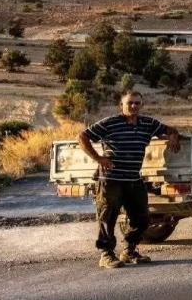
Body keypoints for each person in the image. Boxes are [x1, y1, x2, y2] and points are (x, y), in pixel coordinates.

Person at [78, 90, 180, 269]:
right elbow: (82, 136)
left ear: (142, 105)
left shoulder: (147, 124)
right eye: (129, 103)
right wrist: (99, 158)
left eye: (137, 103)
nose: (133, 106)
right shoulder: (110, 123)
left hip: (133, 178)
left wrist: (172, 137)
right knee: (107, 217)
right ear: (121, 105)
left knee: (141, 218)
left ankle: (129, 251)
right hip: (111, 179)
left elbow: (169, 129)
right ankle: (106, 254)